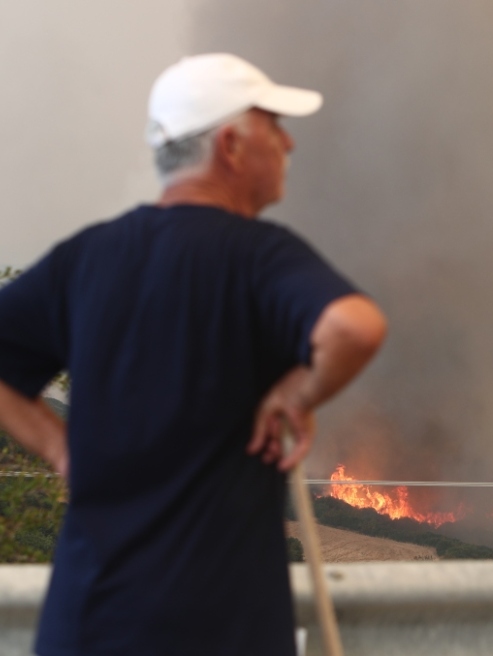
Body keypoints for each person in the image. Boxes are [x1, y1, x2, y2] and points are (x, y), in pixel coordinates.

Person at [0, 53, 386, 655]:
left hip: (88, 625)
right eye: (273, 125)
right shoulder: (260, 257)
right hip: (221, 628)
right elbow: (355, 328)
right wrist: (300, 391)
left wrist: (60, 448)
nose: (289, 143)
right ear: (230, 144)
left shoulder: (87, 257)